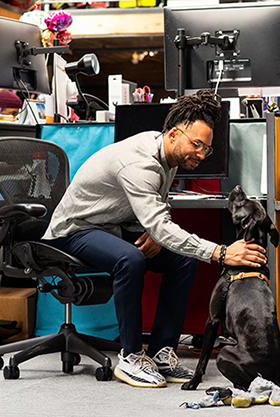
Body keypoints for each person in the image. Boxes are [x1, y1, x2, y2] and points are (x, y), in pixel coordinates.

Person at [41, 90, 268, 388]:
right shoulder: (142, 163)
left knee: (183, 260)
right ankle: (132, 356)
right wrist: (222, 253)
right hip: (73, 230)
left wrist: (152, 229)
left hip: (112, 227)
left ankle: (162, 352)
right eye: (196, 145)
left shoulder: (165, 152)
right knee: (130, 259)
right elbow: (157, 215)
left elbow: (156, 207)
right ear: (174, 134)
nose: (201, 154)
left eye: (206, 149)